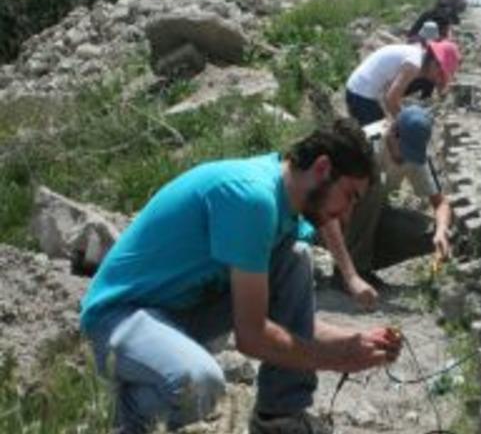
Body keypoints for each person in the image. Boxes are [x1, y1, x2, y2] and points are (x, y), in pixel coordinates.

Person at [79, 119, 402, 434]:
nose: (346, 215)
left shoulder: (287, 208)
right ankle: (111, 415)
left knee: (295, 258)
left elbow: (285, 325)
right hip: (120, 316)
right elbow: (253, 335)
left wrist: (354, 343)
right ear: (321, 169)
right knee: (199, 383)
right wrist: (337, 360)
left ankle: (279, 417)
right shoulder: (254, 199)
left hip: (181, 314)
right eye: (349, 196)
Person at [320, 106, 452, 309]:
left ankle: (363, 265)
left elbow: (440, 202)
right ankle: (348, 272)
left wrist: (441, 232)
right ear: (393, 132)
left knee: (430, 233)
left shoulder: (414, 155)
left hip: (370, 221)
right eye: (404, 150)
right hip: (331, 221)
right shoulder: (365, 141)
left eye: (411, 154)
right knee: (371, 184)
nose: (405, 158)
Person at [345, 39, 460, 127]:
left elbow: (391, 96)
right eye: (440, 74)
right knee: (378, 139)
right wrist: (405, 124)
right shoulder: (414, 65)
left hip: (361, 89)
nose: (438, 79)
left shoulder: (418, 57)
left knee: (386, 128)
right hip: (360, 94)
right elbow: (390, 99)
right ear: (434, 63)